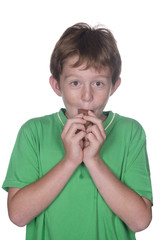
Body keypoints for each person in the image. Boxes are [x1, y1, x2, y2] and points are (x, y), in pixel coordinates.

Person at [2, 22, 153, 240]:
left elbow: (140, 221)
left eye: (98, 84)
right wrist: (70, 161)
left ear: (114, 86)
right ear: (57, 86)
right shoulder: (32, 132)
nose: (87, 96)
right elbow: (17, 215)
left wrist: (94, 161)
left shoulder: (131, 132)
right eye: (75, 83)